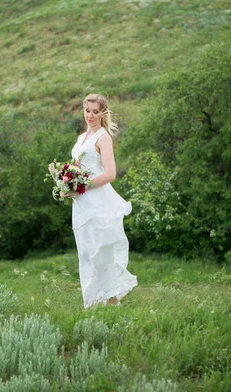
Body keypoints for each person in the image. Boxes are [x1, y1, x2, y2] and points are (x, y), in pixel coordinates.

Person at [66, 93, 137, 308]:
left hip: (98, 200)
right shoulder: (81, 138)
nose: (90, 115)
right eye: (87, 110)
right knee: (86, 252)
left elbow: (110, 174)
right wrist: (67, 185)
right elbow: (76, 169)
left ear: (102, 113)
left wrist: (82, 186)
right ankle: (93, 302)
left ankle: (111, 300)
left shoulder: (103, 138)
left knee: (101, 250)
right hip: (81, 203)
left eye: (95, 112)